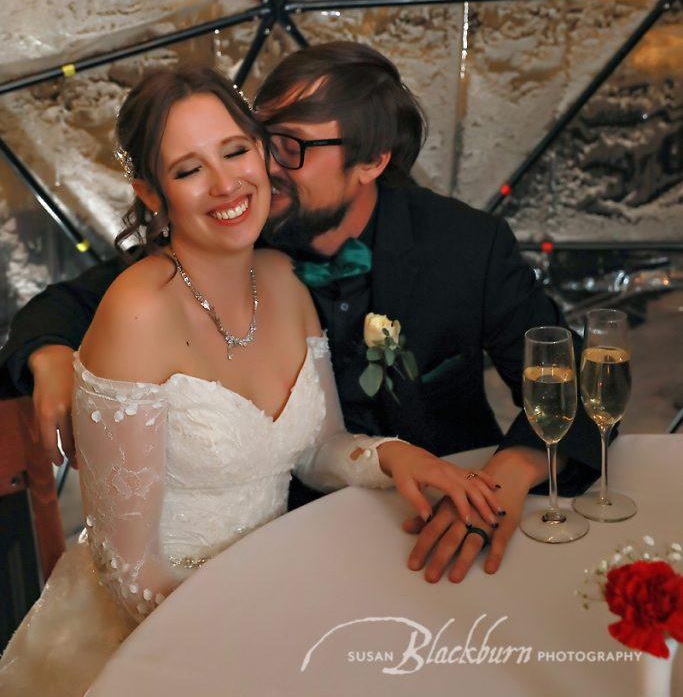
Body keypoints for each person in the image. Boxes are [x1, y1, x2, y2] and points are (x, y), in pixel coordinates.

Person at [1, 42, 601, 591]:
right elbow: (80, 303)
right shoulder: (237, 233)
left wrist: (512, 472)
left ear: (370, 163)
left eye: (291, 147)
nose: (262, 166)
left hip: (447, 534)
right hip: (287, 557)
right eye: (261, 138)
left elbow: (568, 373)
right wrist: (50, 353)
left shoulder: (464, 246)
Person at [0, 65, 502, 697]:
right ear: (153, 194)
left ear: (263, 156)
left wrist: (397, 456)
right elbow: (128, 569)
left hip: (280, 585)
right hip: (163, 628)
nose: (224, 183)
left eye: (234, 151)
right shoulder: (137, 312)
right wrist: (244, 655)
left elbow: (318, 449)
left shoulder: (285, 280)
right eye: (188, 170)